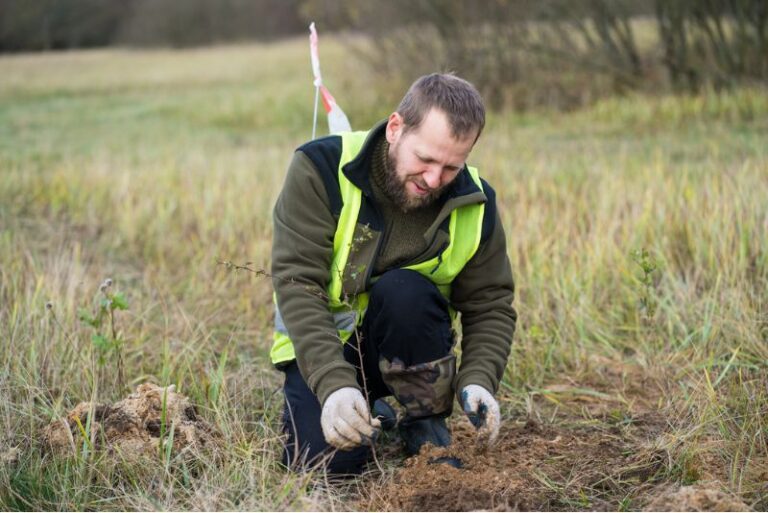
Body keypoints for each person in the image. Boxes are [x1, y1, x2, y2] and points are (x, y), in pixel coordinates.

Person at [271, 73, 516, 475]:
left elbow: (490, 304)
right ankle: (369, 404)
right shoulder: (319, 168)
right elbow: (299, 284)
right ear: (396, 128)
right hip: (326, 346)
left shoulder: (477, 201)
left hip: (409, 348)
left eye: (452, 167)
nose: (434, 179)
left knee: (406, 289)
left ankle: (424, 421)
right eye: (425, 159)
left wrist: (479, 380)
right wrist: (335, 384)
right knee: (328, 467)